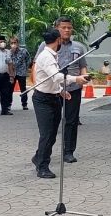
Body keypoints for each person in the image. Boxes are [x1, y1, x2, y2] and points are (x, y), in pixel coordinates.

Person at [31, 28, 90, 178]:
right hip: (43, 100)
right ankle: (42, 167)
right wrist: (75, 79)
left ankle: (38, 158)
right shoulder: (46, 57)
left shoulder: (52, 55)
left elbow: (52, 81)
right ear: (57, 40)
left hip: (53, 96)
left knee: (51, 134)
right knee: (47, 134)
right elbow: (56, 76)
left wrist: (61, 91)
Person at [9, 38, 31, 110]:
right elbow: (7, 62)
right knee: (10, 89)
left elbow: (28, 59)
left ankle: (24, 104)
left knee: (23, 89)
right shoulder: (9, 52)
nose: (13, 44)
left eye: (14, 42)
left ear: (17, 43)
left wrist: (26, 67)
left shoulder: (23, 51)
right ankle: (8, 104)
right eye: (11, 43)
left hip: (21, 72)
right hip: (13, 73)